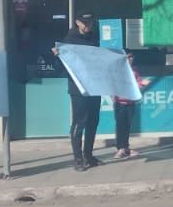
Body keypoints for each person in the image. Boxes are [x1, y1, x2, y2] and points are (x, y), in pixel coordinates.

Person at [55, 12, 102, 172]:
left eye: (90, 23)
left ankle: (88, 155)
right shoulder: (69, 41)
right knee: (79, 122)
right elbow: (62, 66)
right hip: (78, 88)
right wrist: (57, 56)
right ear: (77, 23)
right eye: (85, 23)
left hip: (95, 86)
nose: (88, 26)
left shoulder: (94, 38)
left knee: (93, 121)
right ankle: (78, 158)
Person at [111, 53, 151, 161]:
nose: (131, 58)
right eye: (128, 57)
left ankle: (126, 148)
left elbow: (136, 86)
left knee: (127, 126)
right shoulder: (118, 72)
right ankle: (120, 148)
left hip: (130, 103)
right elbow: (122, 86)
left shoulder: (134, 72)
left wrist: (141, 84)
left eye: (132, 56)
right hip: (120, 103)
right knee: (120, 126)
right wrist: (141, 84)